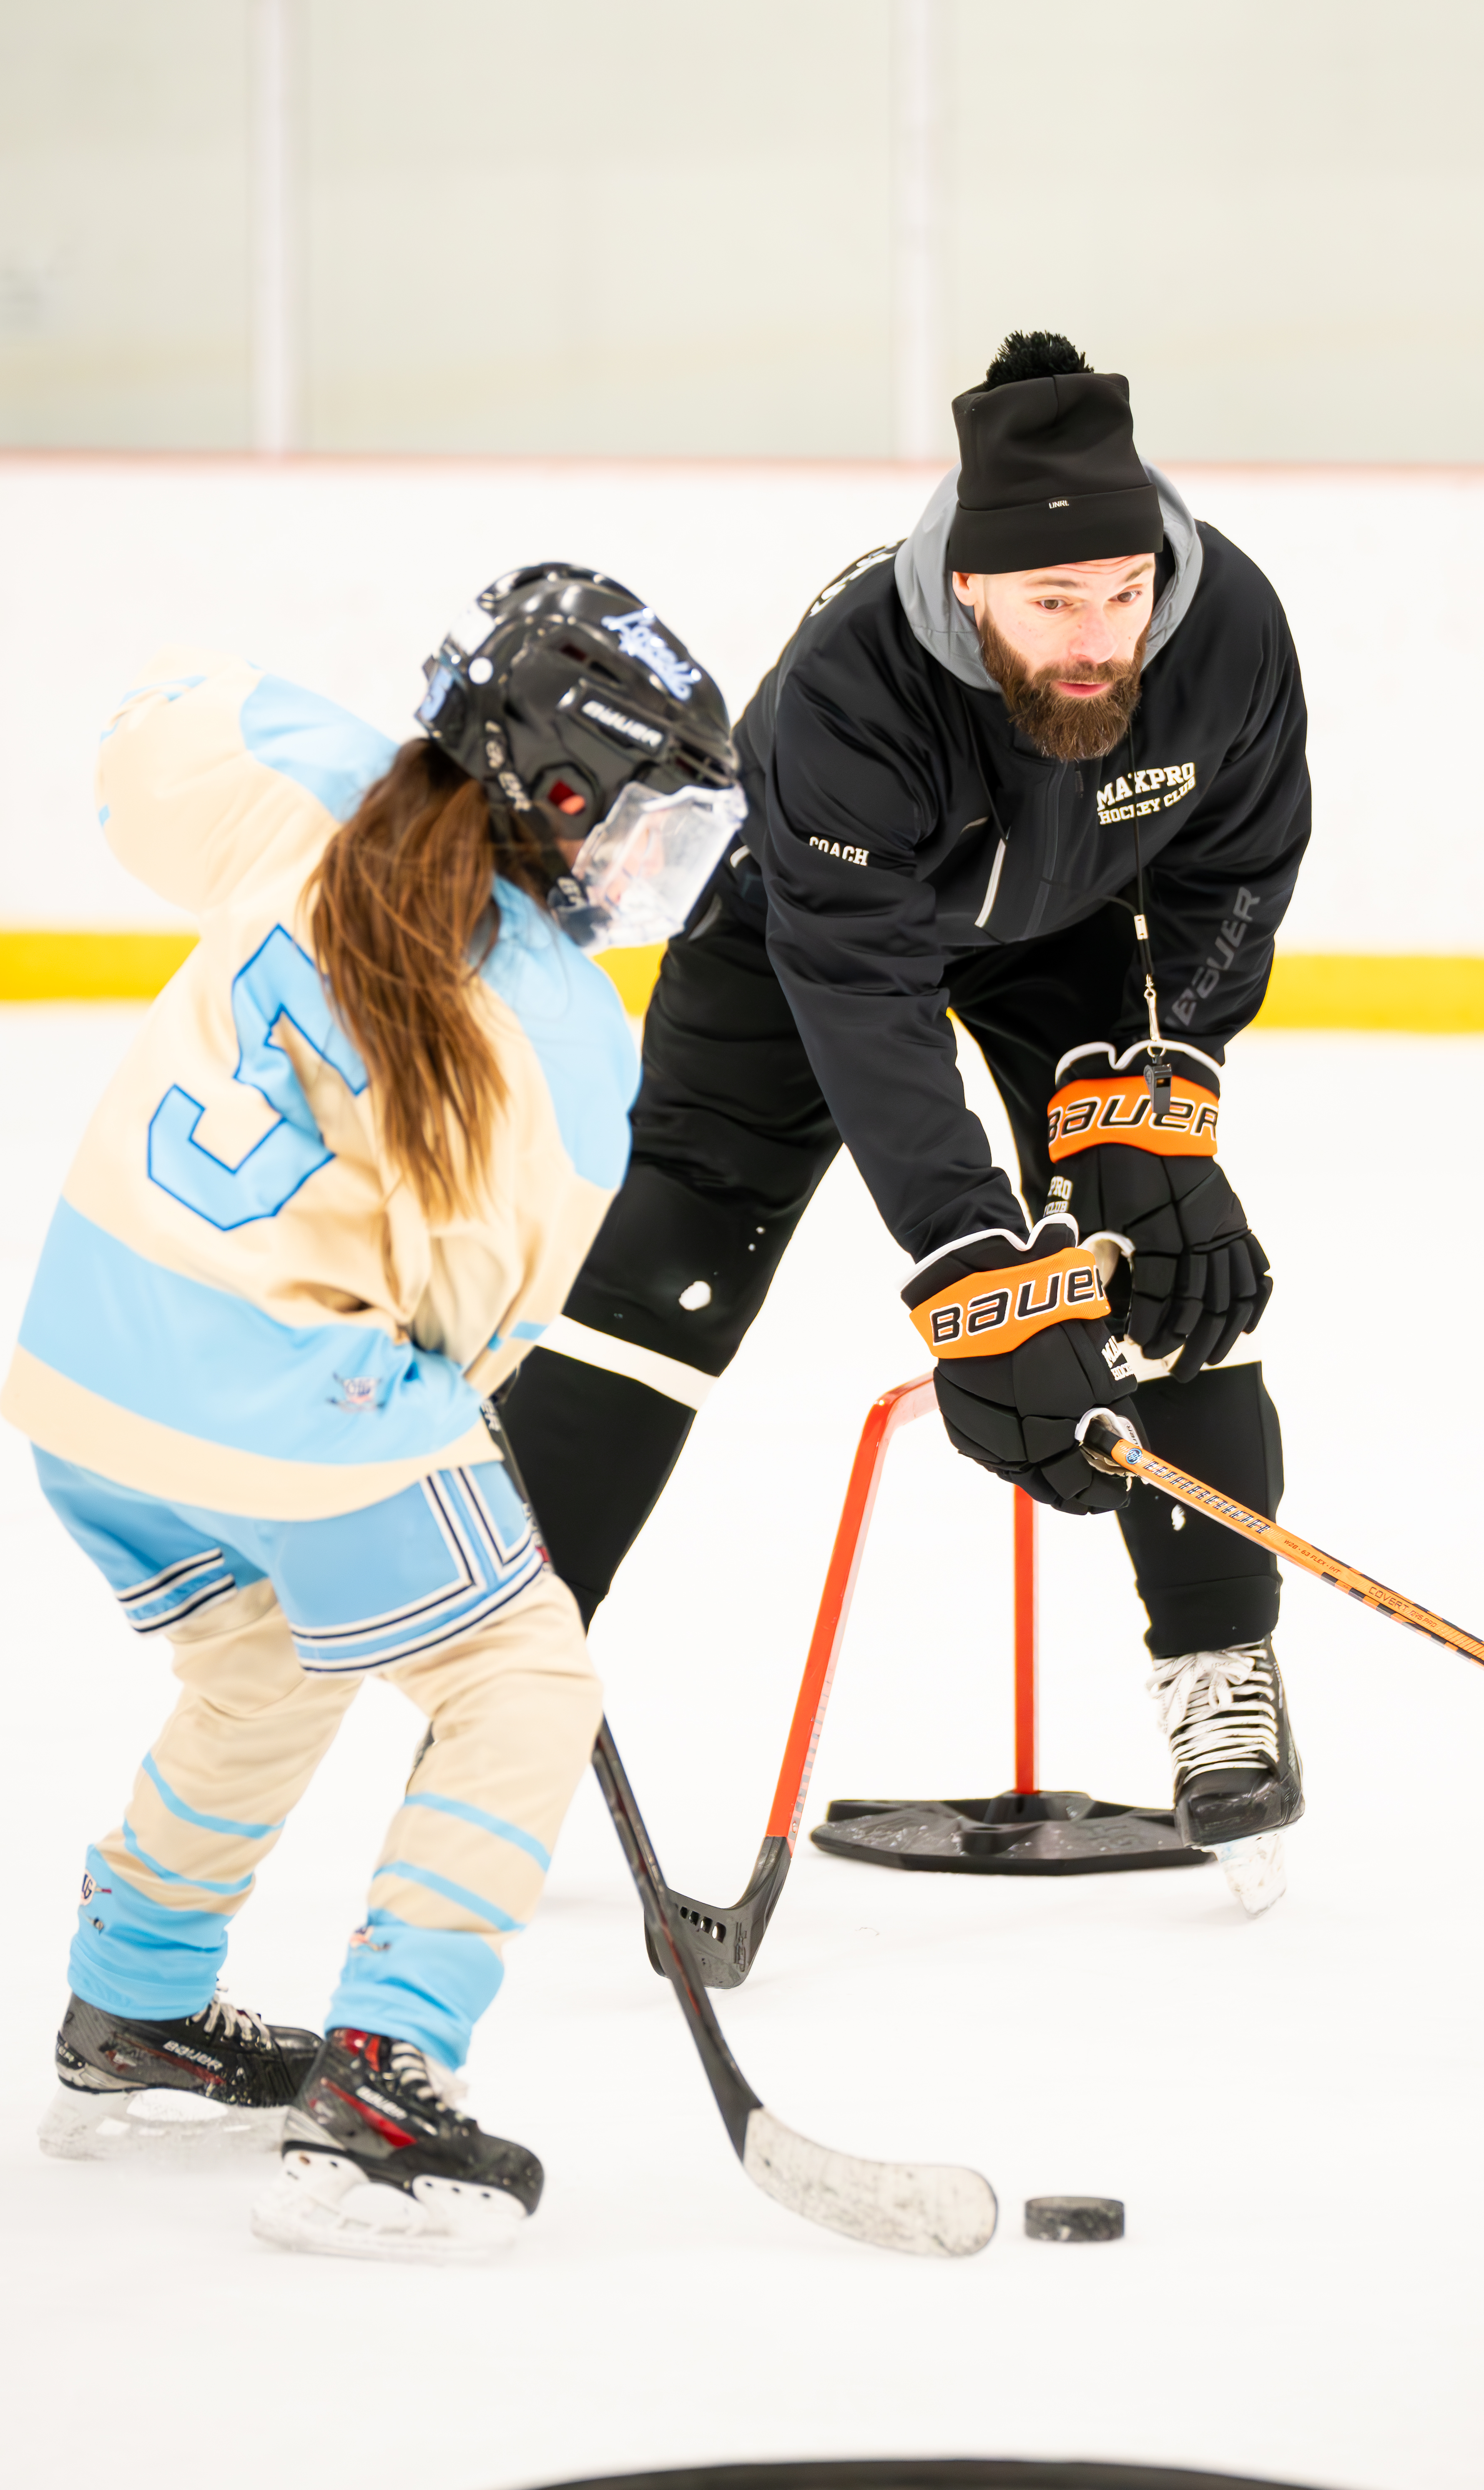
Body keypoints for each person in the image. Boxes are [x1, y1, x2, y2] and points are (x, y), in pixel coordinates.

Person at [499, 332, 1314, 1910]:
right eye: (1054, 605)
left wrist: (1159, 1104)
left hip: (1063, 935)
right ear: (974, 591)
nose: (1101, 639)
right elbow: (864, 997)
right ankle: (500, 1695)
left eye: (1125, 592)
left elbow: (1234, 878)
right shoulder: (852, 685)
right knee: (662, 1282)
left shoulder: (1227, 632)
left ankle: (1220, 1667)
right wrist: (973, 1256)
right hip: (796, 939)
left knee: (1167, 1252)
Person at [0, 565, 743, 2259]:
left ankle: (133, 2005)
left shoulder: (314, 782)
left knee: (262, 1659)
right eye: (645, 825)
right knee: (520, 1673)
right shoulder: (557, 1032)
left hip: (90, 1358)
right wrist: (441, 1431)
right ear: (556, 788)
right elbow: (481, 1321)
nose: (647, 873)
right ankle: (386, 2083)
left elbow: (145, 744)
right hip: (281, 1395)